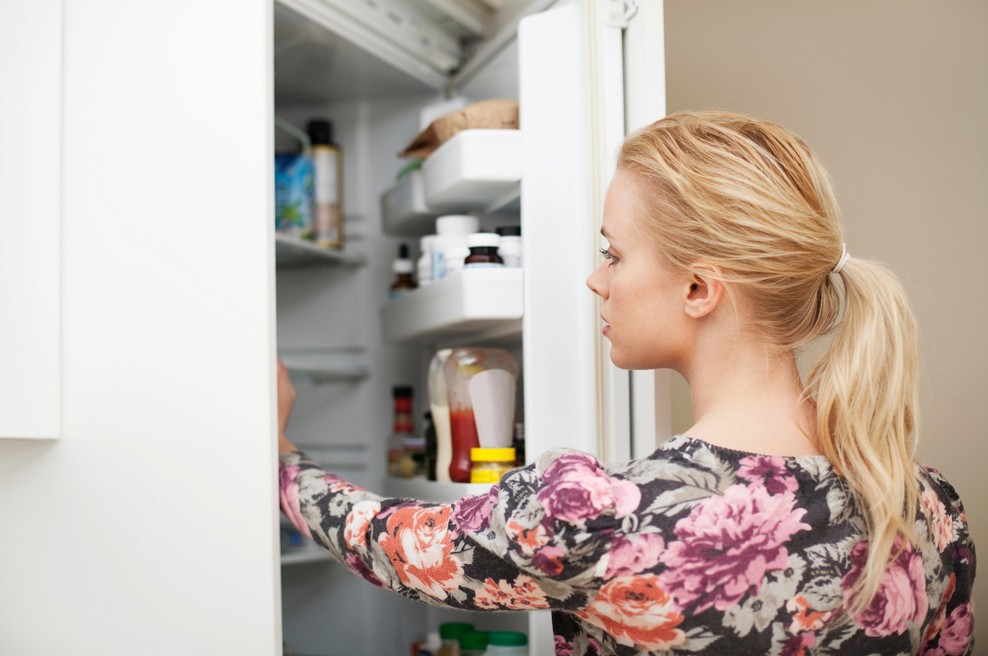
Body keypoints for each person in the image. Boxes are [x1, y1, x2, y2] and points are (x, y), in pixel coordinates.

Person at [278, 110, 975, 655]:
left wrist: (281, 458)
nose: (596, 278)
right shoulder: (925, 507)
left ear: (700, 288)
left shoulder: (605, 519)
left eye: (614, 254)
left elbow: (389, 544)